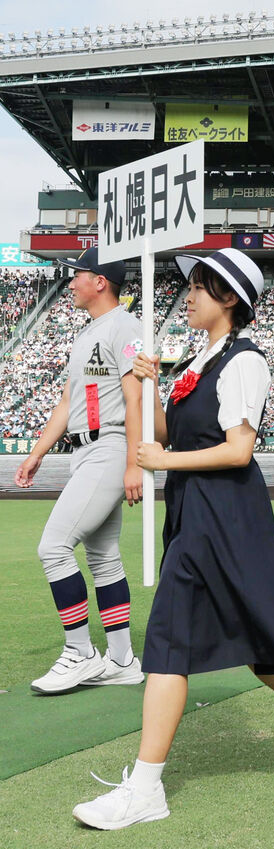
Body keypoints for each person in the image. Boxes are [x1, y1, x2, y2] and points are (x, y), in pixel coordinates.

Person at [72, 248, 274, 831]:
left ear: (229, 299)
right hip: (198, 510)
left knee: (169, 640)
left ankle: (147, 787)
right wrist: (151, 387)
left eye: (202, 285)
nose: (191, 294)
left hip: (224, 513)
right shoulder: (199, 360)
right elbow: (163, 431)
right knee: (249, 633)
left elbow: (238, 450)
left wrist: (164, 459)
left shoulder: (244, 362)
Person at [15, 247, 145, 694]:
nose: (70, 283)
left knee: (54, 547)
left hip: (111, 446)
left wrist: (133, 461)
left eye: (78, 275)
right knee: (104, 559)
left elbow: (136, 398)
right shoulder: (88, 332)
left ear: (100, 282)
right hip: (85, 449)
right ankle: (123, 659)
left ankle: (80, 652)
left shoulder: (125, 326)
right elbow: (70, 402)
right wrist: (37, 453)